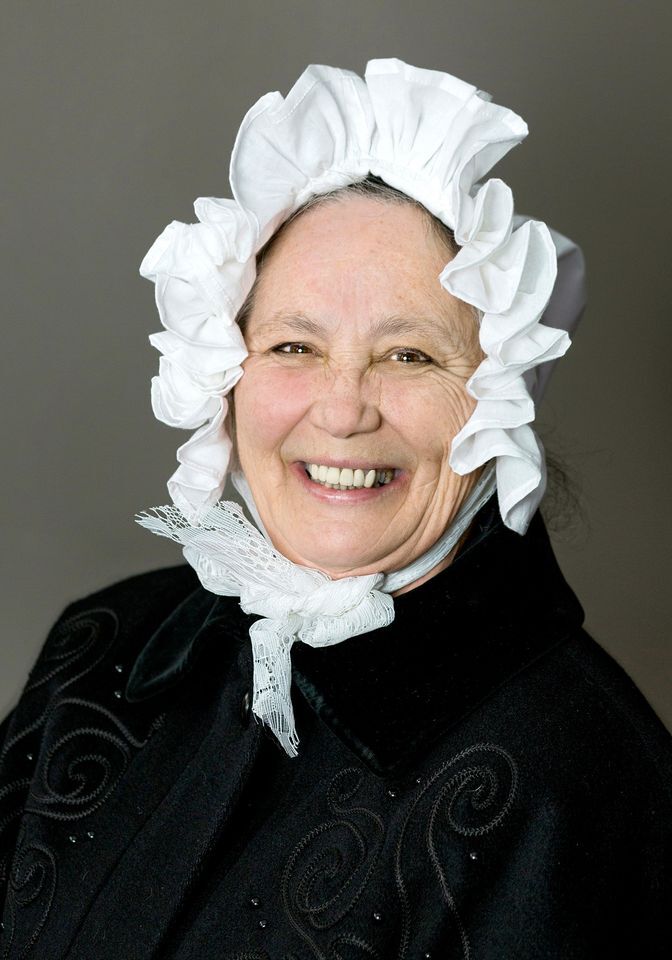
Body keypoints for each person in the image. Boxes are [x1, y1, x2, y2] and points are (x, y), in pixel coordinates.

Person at [0, 59, 669, 959]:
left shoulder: (575, 782)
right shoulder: (106, 649)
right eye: (293, 345)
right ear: (223, 370)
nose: (344, 410)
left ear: (499, 399)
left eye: (409, 357)